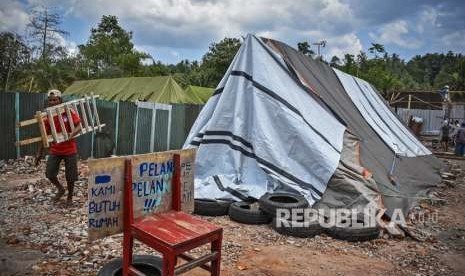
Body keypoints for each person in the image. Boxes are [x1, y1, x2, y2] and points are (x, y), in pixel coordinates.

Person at [35, 89, 82, 207]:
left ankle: (70, 197)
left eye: (55, 100)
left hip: (70, 149)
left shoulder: (68, 111)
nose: (52, 102)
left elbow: (79, 127)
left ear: (60, 100)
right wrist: (39, 153)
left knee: (71, 176)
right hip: (55, 149)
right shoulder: (47, 116)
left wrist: (71, 135)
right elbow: (44, 136)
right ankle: (61, 189)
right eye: (50, 100)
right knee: (49, 173)